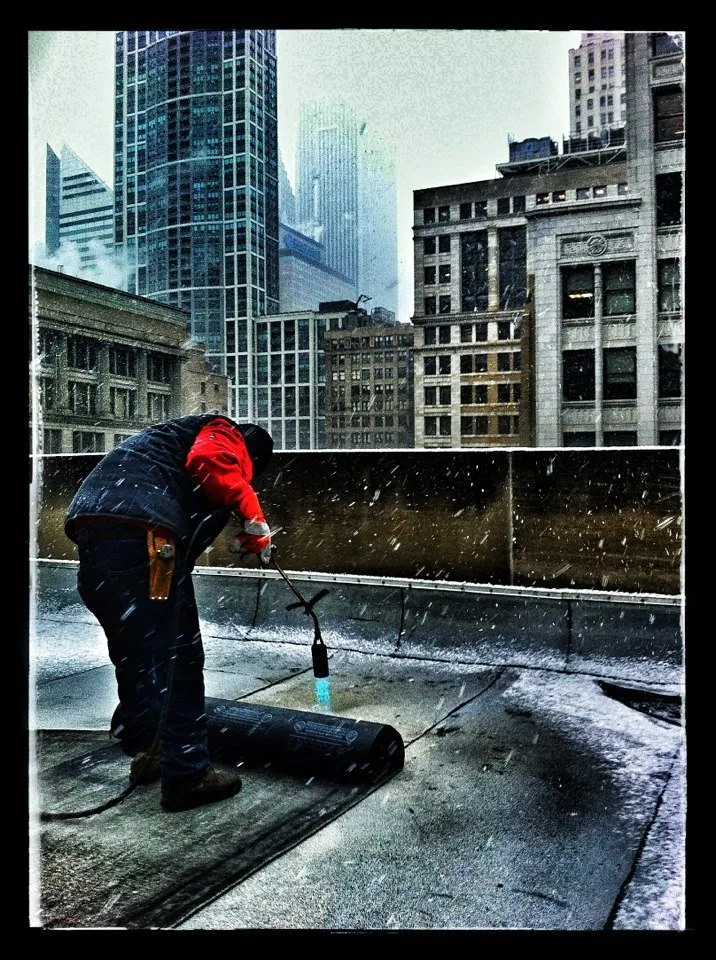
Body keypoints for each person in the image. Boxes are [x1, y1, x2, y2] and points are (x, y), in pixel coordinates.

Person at [64, 413, 274, 812]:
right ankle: (187, 774)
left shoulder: (164, 446)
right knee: (180, 658)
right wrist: (253, 515)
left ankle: (150, 752)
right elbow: (211, 460)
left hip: (94, 529)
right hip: (140, 530)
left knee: (134, 652)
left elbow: (186, 545)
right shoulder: (223, 429)